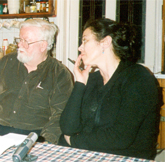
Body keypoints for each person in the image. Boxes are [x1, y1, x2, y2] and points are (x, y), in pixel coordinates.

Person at [58, 18, 163, 160]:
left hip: (125, 157)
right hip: (89, 154)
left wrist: (74, 141)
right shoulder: (93, 79)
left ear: (105, 42)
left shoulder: (138, 78)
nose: (80, 48)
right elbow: (68, 127)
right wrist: (80, 84)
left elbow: (120, 137)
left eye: (85, 41)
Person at [0, 19, 74, 144]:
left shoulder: (60, 74)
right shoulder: (6, 62)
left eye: (26, 41)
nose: (20, 45)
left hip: (35, 136)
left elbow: (60, 114)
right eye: (19, 39)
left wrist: (46, 141)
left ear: (43, 45)